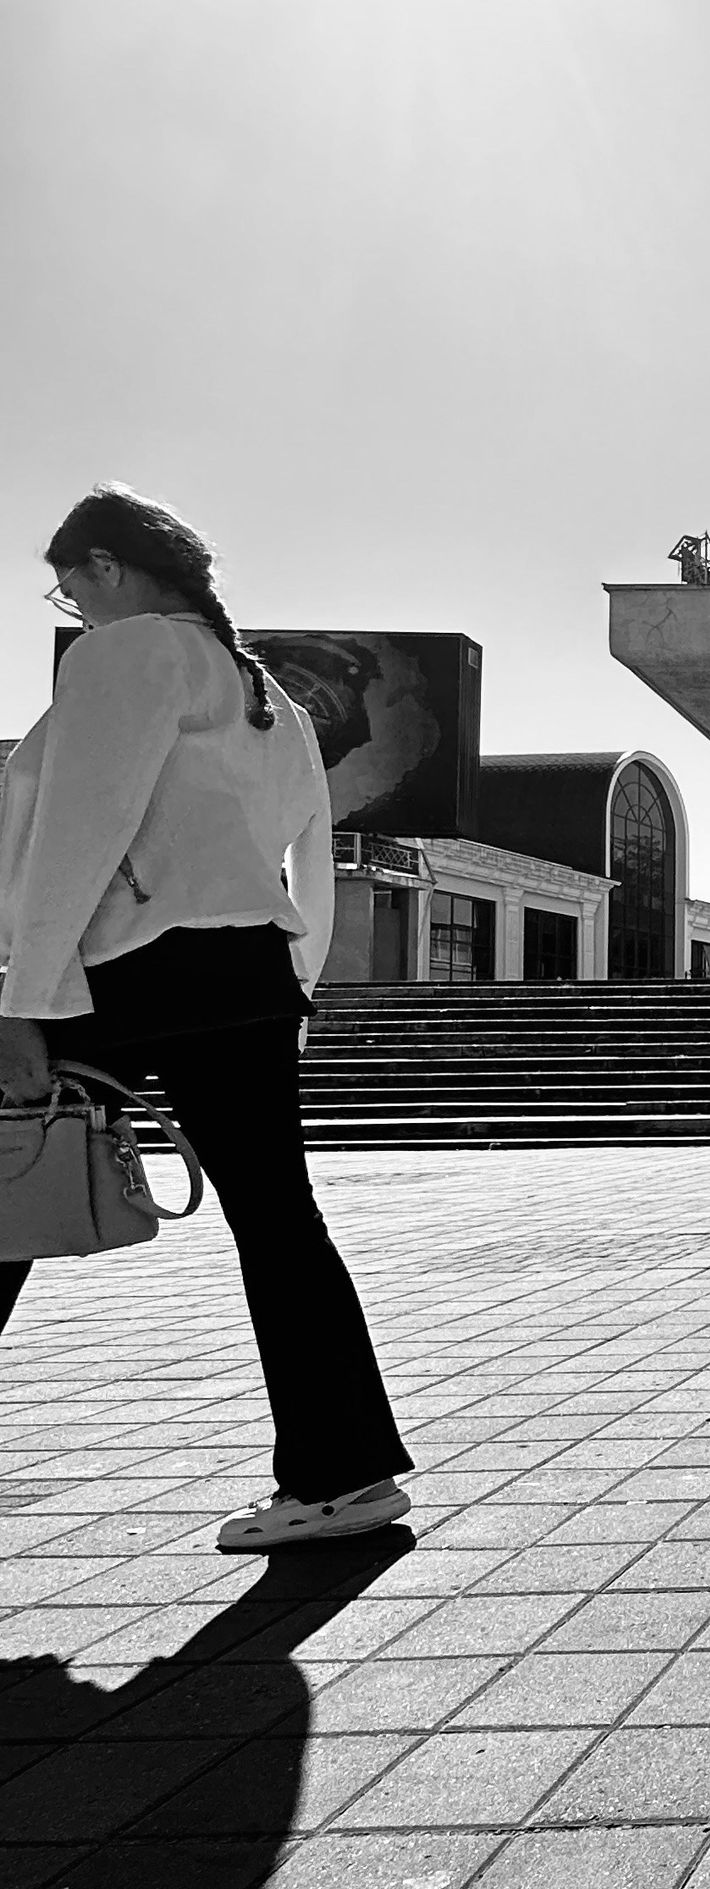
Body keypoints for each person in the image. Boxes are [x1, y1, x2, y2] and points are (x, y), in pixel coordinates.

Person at [0, 487, 413, 1545]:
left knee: (1, 1188)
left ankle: (341, 1472)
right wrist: (300, 983)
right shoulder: (260, 686)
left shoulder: (124, 653)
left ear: (104, 566)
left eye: (67, 585)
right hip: (245, 975)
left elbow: (81, 828)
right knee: (281, 1225)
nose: (72, 606)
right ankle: (346, 1473)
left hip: (127, 971)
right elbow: (302, 845)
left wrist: (24, 994)